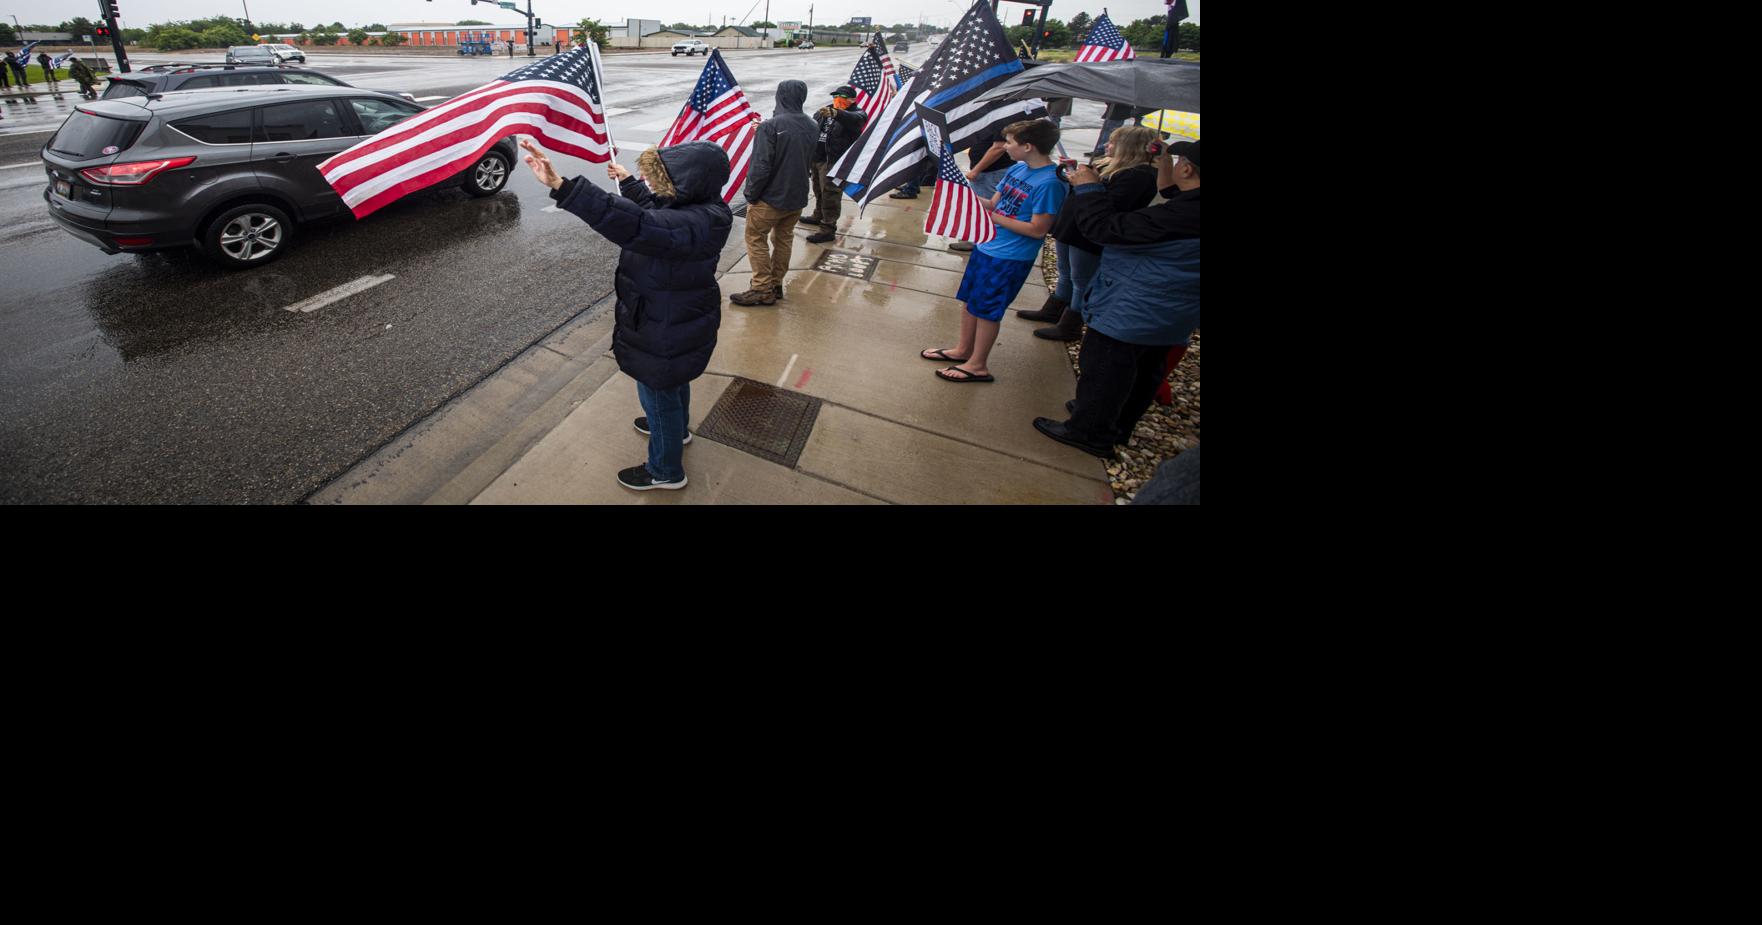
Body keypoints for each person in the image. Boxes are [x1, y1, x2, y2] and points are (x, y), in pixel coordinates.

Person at [520, 137, 733, 491]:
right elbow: (656, 211)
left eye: (659, 177)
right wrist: (630, 183)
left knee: (657, 386)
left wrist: (562, 187)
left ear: (686, 182)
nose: (653, 184)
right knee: (671, 381)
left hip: (663, 320)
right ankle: (675, 431)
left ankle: (665, 471)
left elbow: (639, 225)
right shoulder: (702, 210)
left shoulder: (689, 223)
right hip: (676, 316)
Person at [1033, 140, 1199, 457]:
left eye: (1179, 160)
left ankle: (1089, 430)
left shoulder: (1179, 217)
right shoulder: (1189, 207)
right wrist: (1165, 164)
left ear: (1188, 169)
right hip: (1174, 310)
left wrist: (1088, 189)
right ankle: (1116, 422)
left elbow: (1104, 228)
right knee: (1143, 367)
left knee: (1106, 366)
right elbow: (1172, 194)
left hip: (1137, 304)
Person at [919, 119, 1066, 384]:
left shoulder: (1050, 183)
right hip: (987, 244)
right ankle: (963, 349)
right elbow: (993, 204)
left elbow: (1037, 229)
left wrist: (996, 218)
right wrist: (963, 195)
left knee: (987, 309)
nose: (1005, 147)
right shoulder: (1017, 170)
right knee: (970, 301)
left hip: (1010, 256)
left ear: (1028, 146)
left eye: (1010, 142)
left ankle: (978, 365)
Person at [1018, 125, 1162, 341]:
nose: (1107, 144)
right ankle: (1054, 308)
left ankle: (1071, 325)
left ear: (1128, 146)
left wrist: (1090, 183)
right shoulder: (1109, 165)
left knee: (1081, 278)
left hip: (1088, 234)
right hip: (1073, 226)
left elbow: (1111, 205)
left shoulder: (1139, 175)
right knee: (1065, 271)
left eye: (1113, 142)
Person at [731, 79, 816, 306]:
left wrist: (751, 194)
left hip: (770, 197)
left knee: (755, 239)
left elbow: (760, 167)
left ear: (780, 96)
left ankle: (761, 288)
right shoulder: (811, 124)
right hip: (797, 196)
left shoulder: (771, 127)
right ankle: (776, 284)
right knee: (783, 240)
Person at [801, 84, 866, 244]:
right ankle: (818, 215)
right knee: (818, 189)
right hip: (818, 157)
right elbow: (812, 127)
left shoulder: (856, 114)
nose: (837, 100)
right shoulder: (824, 111)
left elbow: (855, 120)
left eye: (842, 98)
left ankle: (828, 228)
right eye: (835, 97)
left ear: (852, 100)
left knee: (830, 193)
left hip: (834, 161)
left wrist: (837, 113)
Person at [944, 125, 1016, 252]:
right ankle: (978, 237)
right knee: (979, 204)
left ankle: (977, 240)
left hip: (991, 171)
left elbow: (998, 147)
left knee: (983, 208)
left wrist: (976, 170)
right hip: (988, 171)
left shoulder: (1005, 118)